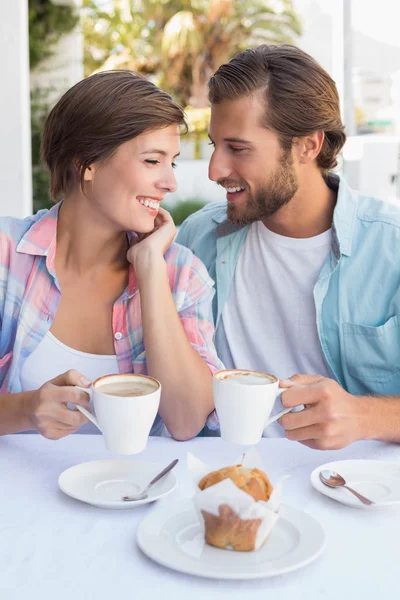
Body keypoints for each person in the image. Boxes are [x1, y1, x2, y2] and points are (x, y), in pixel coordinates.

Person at [177, 44, 400, 450]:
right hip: (222, 476)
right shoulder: (196, 238)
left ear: (307, 146)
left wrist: (364, 416)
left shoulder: (391, 248)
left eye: (238, 148)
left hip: (353, 490)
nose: (215, 170)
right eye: (215, 146)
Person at [0, 70, 222, 441]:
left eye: (173, 162)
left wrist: (150, 269)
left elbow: (187, 421)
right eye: (153, 161)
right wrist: (25, 409)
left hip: (140, 495)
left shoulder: (182, 274)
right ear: (87, 163)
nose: (170, 183)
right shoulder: (7, 257)